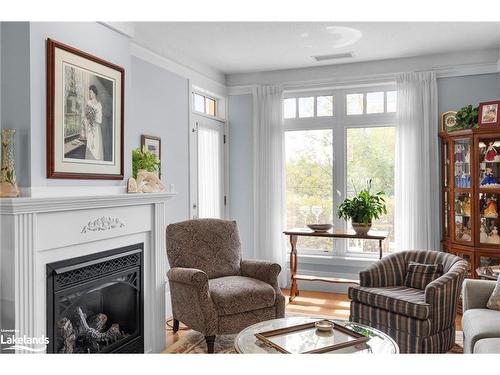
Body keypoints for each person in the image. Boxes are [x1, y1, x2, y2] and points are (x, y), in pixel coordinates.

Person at [83, 85, 103, 160]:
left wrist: (93, 115)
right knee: (90, 147)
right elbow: (86, 117)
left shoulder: (99, 105)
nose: (89, 94)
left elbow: (100, 120)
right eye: (89, 93)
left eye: (90, 92)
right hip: (90, 129)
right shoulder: (89, 103)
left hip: (96, 129)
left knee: (96, 149)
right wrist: (86, 128)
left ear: (94, 93)